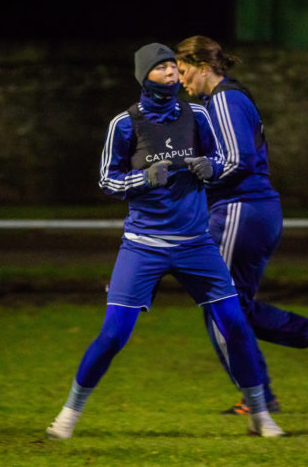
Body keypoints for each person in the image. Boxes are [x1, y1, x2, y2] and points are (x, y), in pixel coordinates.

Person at [46, 42, 284, 439]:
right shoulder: (124, 124)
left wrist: (211, 167)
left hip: (196, 244)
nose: (173, 75)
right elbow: (107, 180)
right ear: (144, 77)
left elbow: (225, 159)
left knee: (235, 326)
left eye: (175, 68)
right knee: (113, 335)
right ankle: (69, 413)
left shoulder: (199, 115)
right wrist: (142, 178)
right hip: (143, 245)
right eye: (162, 70)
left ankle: (260, 415)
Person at [174, 35, 308, 415]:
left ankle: (259, 397)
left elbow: (239, 158)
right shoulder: (225, 100)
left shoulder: (225, 99)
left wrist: (204, 171)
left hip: (241, 209)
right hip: (252, 211)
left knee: (219, 305)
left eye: (185, 72)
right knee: (235, 307)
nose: (181, 81)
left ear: (204, 69)